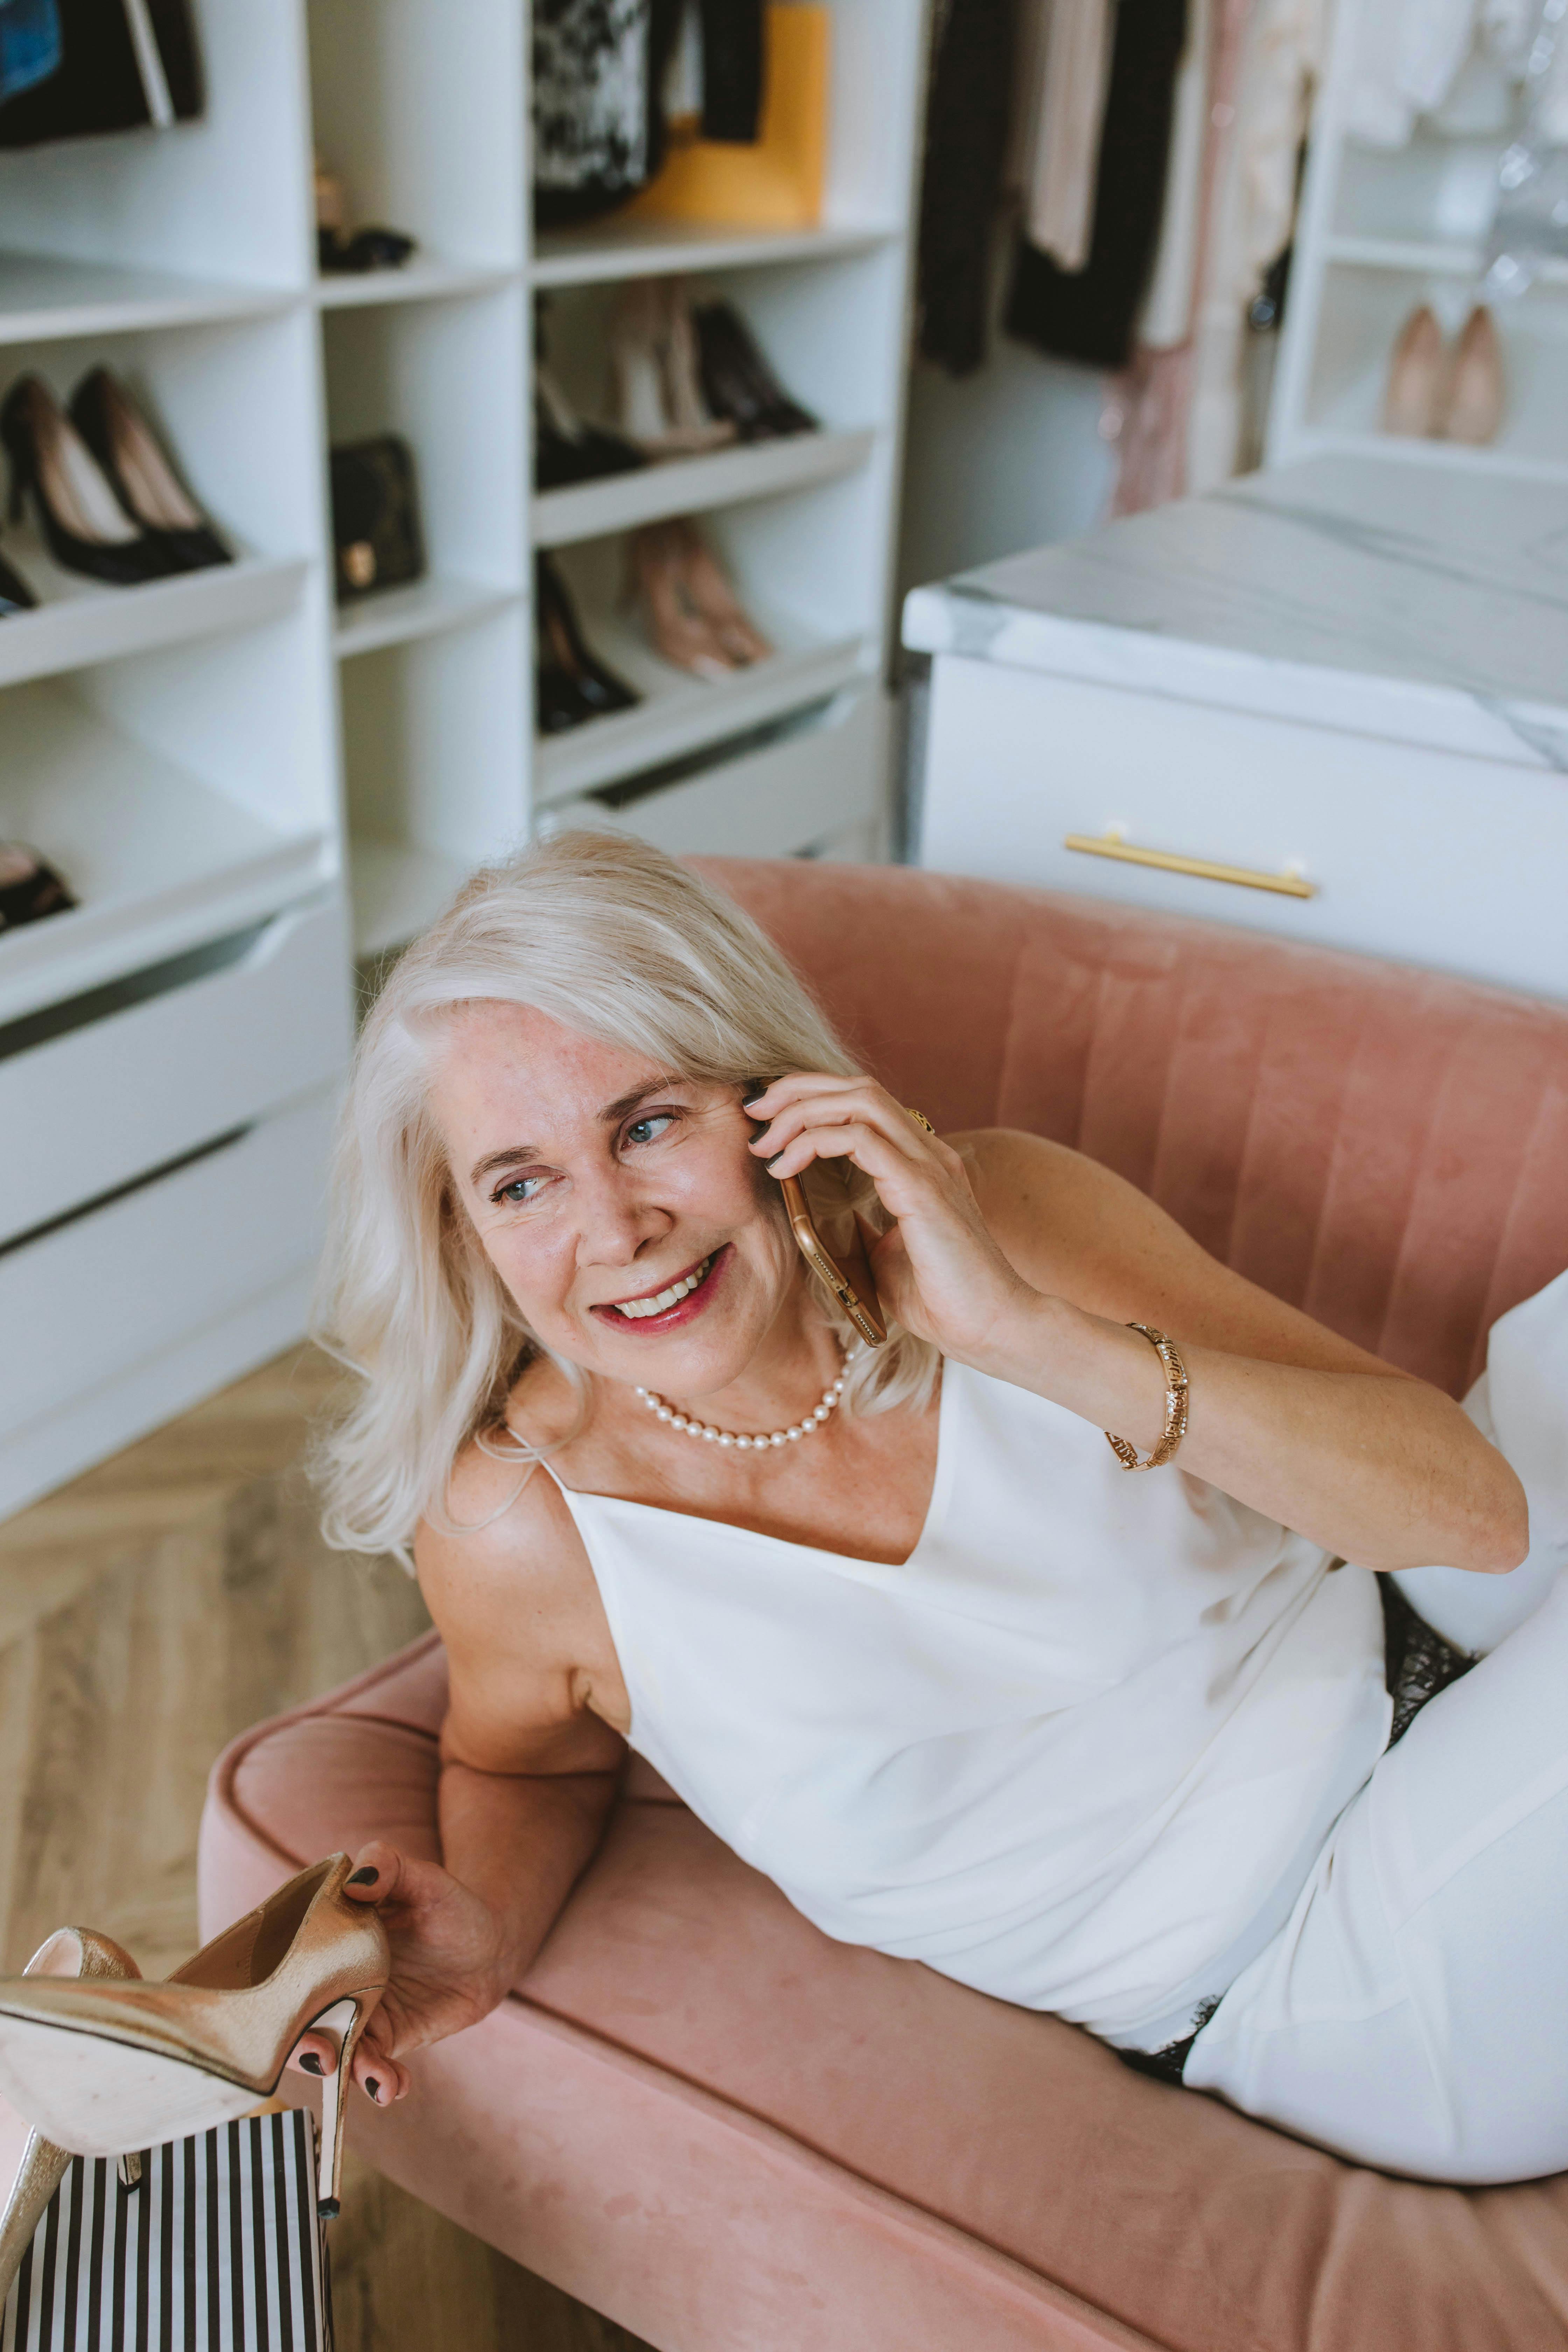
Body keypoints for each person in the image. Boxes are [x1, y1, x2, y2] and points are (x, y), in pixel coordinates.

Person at [299, 830, 1568, 2186]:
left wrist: (1022, 1332)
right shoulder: (514, 1527)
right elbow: (521, 1760)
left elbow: (1473, 1514)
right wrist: (484, 1923)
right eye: (523, 1182)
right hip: (1320, 1969)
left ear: (766, 1101)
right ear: (462, 1235)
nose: (615, 1232)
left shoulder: (994, 1211)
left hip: (1411, 1630)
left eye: (649, 1124)